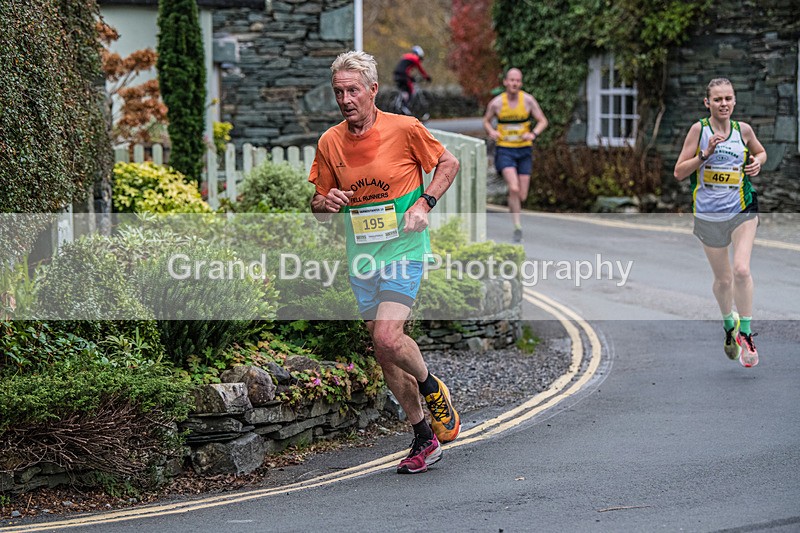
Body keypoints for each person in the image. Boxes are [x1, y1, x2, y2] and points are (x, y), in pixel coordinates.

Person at [309, 50, 461, 474]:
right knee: (383, 350)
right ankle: (424, 436)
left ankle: (431, 388)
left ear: (373, 90)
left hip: (403, 249)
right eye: (338, 92)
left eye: (353, 90)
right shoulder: (330, 142)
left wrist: (425, 203)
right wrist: (326, 202)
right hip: (362, 258)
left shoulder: (405, 129)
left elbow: (449, 162)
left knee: (388, 336)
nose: (345, 99)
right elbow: (318, 206)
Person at [673, 77, 767, 368]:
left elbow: (760, 151)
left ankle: (746, 334)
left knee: (741, 270)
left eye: (728, 98)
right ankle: (729, 324)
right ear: (707, 103)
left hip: (742, 208)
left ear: (734, 101)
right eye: (717, 99)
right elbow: (679, 172)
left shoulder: (743, 130)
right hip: (708, 214)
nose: (723, 103)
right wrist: (705, 155)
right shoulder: (699, 130)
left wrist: (758, 162)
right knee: (724, 280)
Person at [483, 68, 548, 243]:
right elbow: (486, 120)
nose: (514, 83)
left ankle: (513, 202)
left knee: (522, 195)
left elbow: (543, 120)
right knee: (514, 188)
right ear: (505, 82)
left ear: (521, 83)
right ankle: (517, 226)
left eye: (517, 81)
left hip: (524, 150)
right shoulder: (497, 103)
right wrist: (491, 132)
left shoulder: (528, 100)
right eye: (511, 80)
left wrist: (533, 134)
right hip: (505, 150)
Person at [392, 45, 431, 116]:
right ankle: (405, 106)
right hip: (403, 75)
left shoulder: (406, 57)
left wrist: (411, 78)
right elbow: (421, 69)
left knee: (404, 90)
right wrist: (426, 77)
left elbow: (405, 69)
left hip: (397, 75)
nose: (420, 60)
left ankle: (400, 103)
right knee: (410, 90)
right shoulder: (415, 58)